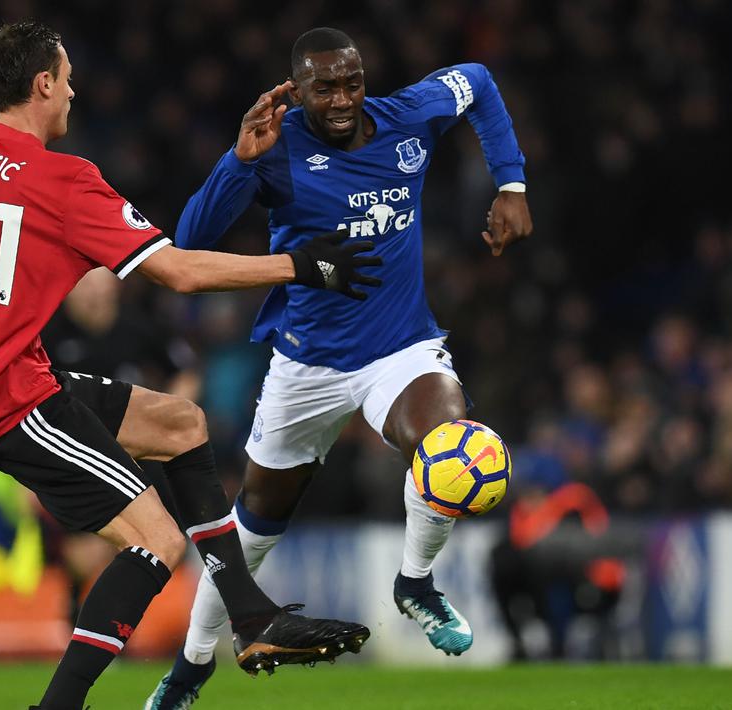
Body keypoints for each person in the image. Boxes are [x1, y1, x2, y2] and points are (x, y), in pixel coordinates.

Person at [0, 21, 377, 710]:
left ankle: (251, 619)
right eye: (67, 77)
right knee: (156, 542)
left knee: (179, 422)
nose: (74, 91)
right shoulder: (64, 181)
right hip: (7, 402)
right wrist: (300, 265)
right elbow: (178, 272)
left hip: (0, 382)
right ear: (43, 83)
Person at [145, 27, 533, 708]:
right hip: (305, 367)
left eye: (351, 82)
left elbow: (475, 78)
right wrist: (238, 162)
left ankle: (414, 583)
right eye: (325, 86)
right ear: (298, 88)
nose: (342, 98)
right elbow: (191, 242)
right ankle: (189, 669)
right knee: (253, 531)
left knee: (450, 446)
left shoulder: (406, 116)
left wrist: (510, 182)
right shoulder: (277, 147)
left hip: (400, 352)